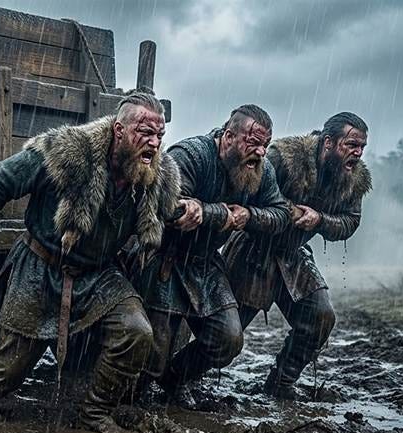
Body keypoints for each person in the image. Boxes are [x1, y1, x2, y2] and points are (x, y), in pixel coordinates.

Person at [0, 92, 181, 432]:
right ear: (118, 130)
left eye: (159, 135)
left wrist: (195, 210)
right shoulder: (67, 152)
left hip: (98, 275)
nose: (154, 143)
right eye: (145, 133)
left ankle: (94, 413)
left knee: (136, 331)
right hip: (41, 267)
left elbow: (170, 213)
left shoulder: (156, 175)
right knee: (6, 371)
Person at [139, 105, 291, 405]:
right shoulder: (191, 155)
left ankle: (175, 379)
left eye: (265, 145)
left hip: (206, 263)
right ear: (229, 136)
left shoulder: (261, 170)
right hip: (163, 257)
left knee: (228, 338)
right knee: (152, 353)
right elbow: (168, 207)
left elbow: (281, 213)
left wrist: (249, 215)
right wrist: (215, 213)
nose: (260, 152)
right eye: (253, 142)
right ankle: (134, 395)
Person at [222, 112, 371, 398]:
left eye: (362, 147)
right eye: (351, 145)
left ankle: (281, 384)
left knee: (320, 317)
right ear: (328, 142)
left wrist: (320, 220)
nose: (358, 153)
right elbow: (244, 193)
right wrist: (282, 212)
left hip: (294, 256)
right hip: (253, 249)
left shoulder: (355, 178)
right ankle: (179, 381)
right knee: (225, 335)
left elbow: (351, 221)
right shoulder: (285, 157)